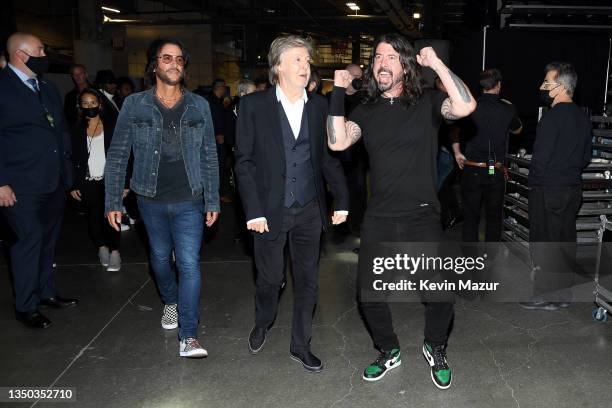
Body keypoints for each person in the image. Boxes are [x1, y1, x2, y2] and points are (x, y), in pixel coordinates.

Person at [327, 33, 476, 389]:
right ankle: (388, 349)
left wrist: (437, 63)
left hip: (422, 215)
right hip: (379, 217)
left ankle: (435, 346)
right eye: (378, 57)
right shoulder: (365, 110)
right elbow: (337, 141)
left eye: (392, 57)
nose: (383, 62)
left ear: (406, 65)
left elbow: (466, 107)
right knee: (369, 293)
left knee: (439, 292)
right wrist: (336, 92)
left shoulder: (428, 103)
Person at [235, 35, 349, 373]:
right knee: (270, 280)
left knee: (308, 280)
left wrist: (341, 198)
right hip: (269, 211)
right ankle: (263, 320)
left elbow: (329, 159)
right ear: (278, 66)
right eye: (297, 59)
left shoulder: (319, 106)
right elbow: (243, 162)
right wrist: (253, 209)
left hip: (310, 210)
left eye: (307, 60)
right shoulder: (253, 106)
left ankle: (301, 345)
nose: (305, 65)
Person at [104, 38, 219, 358]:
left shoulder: (199, 105)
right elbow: (117, 155)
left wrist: (212, 199)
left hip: (190, 199)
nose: (174, 64)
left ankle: (190, 334)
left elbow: (210, 154)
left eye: (180, 59)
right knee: (158, 258)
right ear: (154, 65)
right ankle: (170, 300)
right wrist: (113, 200)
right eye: (167, 58)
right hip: (149, 198)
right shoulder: (134, 105)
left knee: (189, 264)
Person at [0, 32, 78, 329]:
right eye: (40, 50)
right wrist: (0, 181)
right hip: (19, 184)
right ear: (20, 54)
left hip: (53, 179)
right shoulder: (2, 87)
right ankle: (26, 305)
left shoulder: (47, 87)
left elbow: (60, 131)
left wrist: (68, 175)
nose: (45, 54)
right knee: (28, 241)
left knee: (47, 241)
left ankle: (46, 293)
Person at [520, 62, 592, 311]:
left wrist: (533, 186)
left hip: (548, 189)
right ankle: (563, 295)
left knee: (544, 243)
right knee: (564, 241)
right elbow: (585, 158)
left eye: (546, 83)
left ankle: (546, 295)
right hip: (573, 188)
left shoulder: (551, 118)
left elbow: (540, 160)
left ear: (560, 87)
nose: (542, 87)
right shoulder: (583, 118)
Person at [453, 69, 522, 242]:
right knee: (493, 217)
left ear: (481, 86)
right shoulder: (507, 108)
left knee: (470, 217)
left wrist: (457, 152)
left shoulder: (470, 106)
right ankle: (490, 259)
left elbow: (454, 129)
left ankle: (469, 259)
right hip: (494, 170)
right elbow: (518, 129)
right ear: (498, 85)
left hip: (472, 168)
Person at [70, 88, 127, 271]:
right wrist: (74, 184)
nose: (89, 106)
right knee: (93, 219)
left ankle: (115, 252)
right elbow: (72, 158)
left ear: (100, 104)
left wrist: (125, 182)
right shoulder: (76, 128)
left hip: (111, 180)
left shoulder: (112, 125)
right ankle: (101, 247)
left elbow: (126, 154)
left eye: (92, 102)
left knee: (113, 217)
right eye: (85, 103)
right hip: (88, 181)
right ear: (80, 106)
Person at [207, 78, 231, 202]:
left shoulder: (219, 101)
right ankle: (217, 196)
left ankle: (218, 194)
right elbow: (211, 120)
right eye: (224, 88)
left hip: (220, 139)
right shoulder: (211, 102)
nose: (225, 90)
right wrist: (218, 134)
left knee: (220, 168)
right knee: (217, 168)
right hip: (216, 140)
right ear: (219, 88)